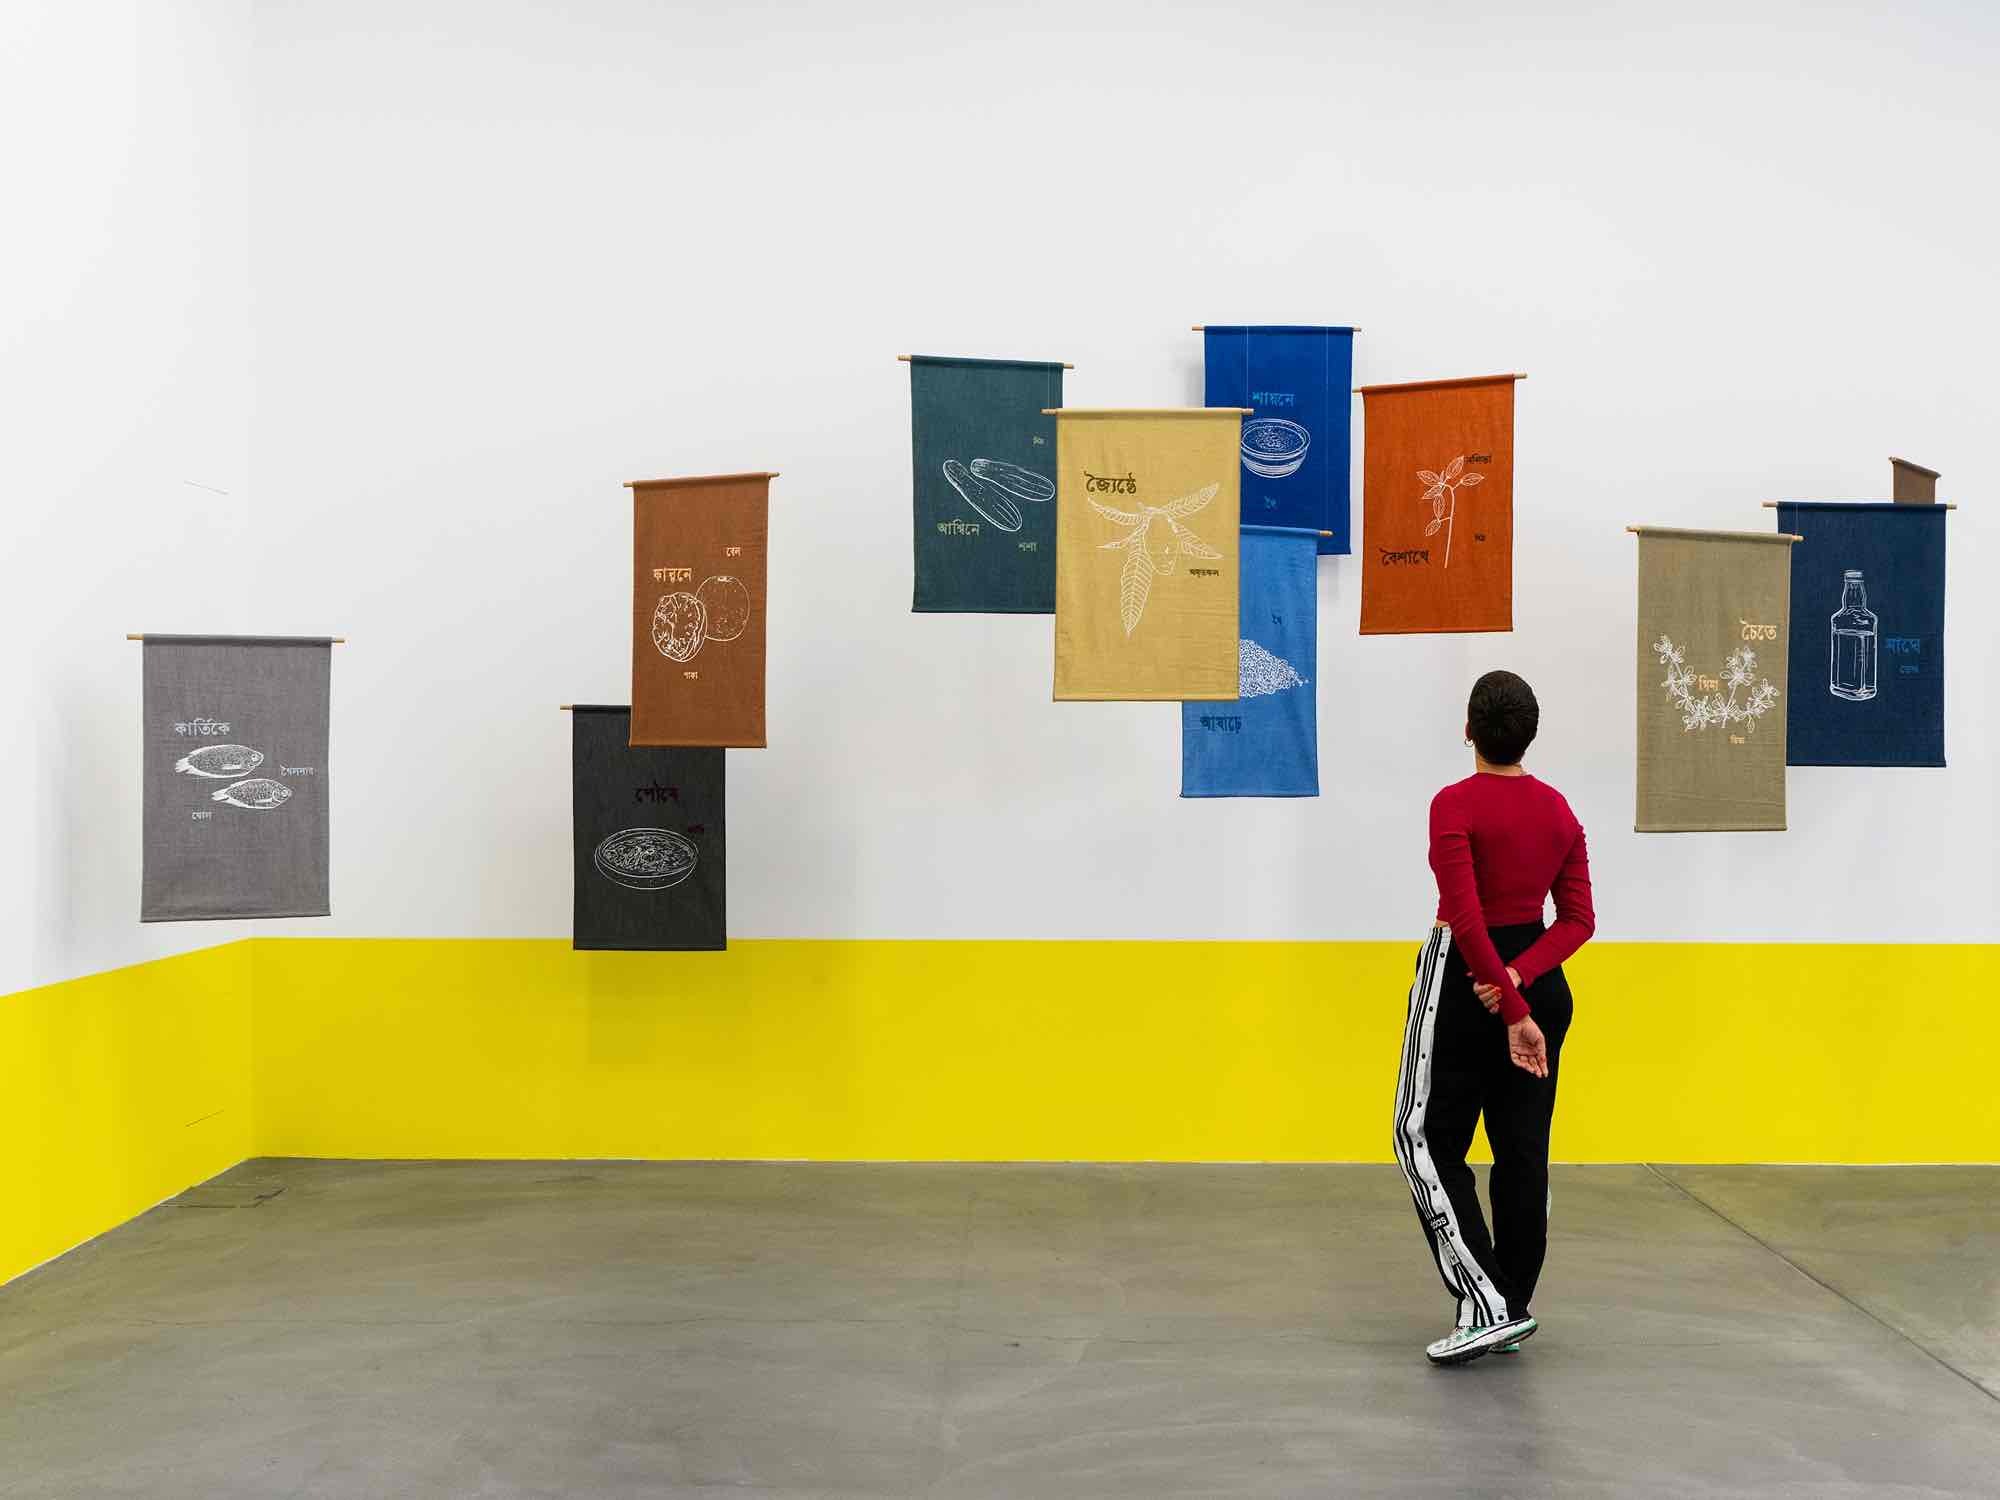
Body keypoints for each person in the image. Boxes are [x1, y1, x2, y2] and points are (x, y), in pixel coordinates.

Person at [1391, 669, 1595, 1367]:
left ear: (1469, 730)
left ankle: (1489, 1306)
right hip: (1538, 984)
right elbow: (1578, 921)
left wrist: (1505, 999)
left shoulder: (1453, 804)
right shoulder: (1559, 811)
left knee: (1423, 1136)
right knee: (1522, 1149)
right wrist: (1521, 981)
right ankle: (1511, 1302)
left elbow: (1466, 913)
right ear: (1529, 735)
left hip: (1464, 983)